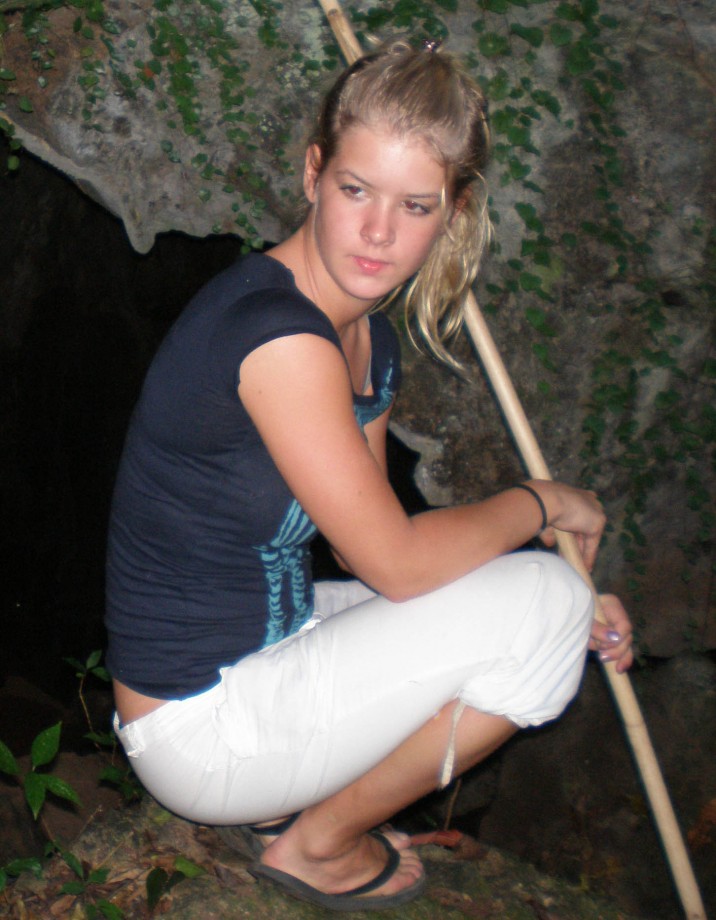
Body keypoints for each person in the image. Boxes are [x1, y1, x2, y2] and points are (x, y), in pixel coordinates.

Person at [105, 39, 633, 912]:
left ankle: (309, 812)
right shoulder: (279, 335)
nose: (380, 232)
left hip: (272, 650)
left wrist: (531, 590)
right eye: (356, 190)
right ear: (314, 173)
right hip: (201, 732)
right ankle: (319, 842)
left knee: (537, 600)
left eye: (415, 205)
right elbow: (395, 564)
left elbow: (375, 546)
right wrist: (544, 505)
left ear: (453, 211)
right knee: (542, 600)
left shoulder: (369, 341)